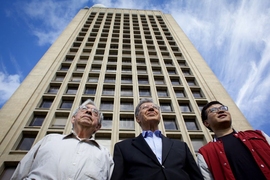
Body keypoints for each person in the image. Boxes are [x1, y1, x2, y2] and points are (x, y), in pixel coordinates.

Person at [11, 99, 114, 180]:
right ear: (73, 119)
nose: (88, 111)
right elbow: (21, 171)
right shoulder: (49, 139)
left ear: (98, 127)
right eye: (83, 109)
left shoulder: (105, 154)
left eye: (95, 112)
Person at [111, 98, 203, 180]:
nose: (151, 108)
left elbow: (195, 175)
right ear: (138, 118)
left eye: (155, 107)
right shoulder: (123, 147)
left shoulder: (181, 146)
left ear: (159, 116)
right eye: (145, 107)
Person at [197, 101, 270, 180]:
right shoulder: (204, 153)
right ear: (206, 123)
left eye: (223, 108)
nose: (221, 111)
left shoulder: (258, 135)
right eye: (213, 110)